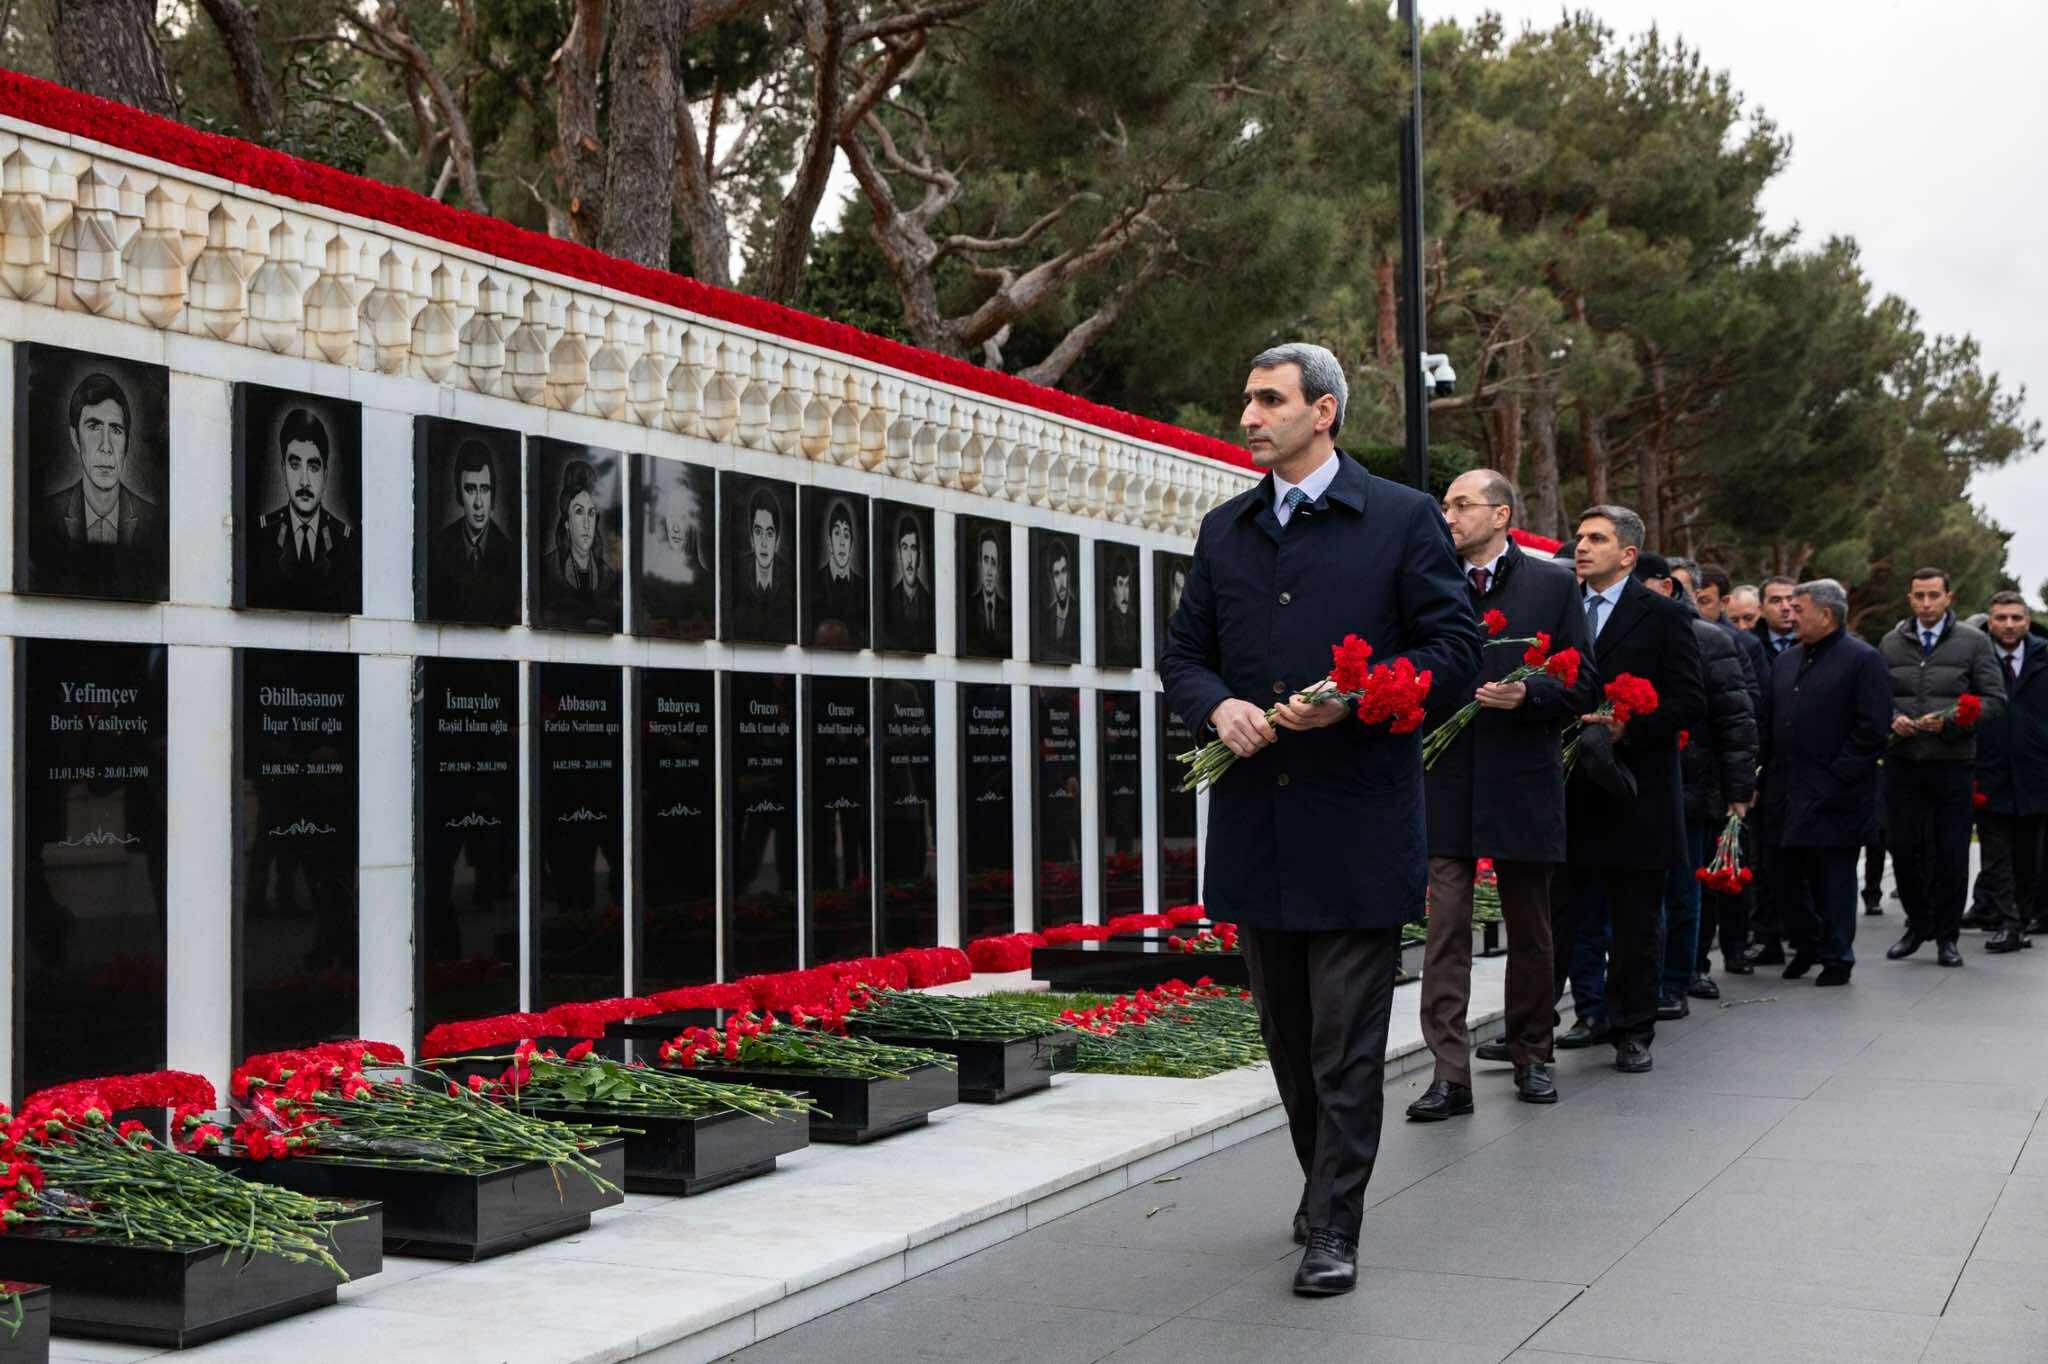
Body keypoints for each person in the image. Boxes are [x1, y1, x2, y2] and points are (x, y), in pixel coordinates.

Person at [1160, 341, 1479, 1297]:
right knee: (1291, 1041)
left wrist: (1359, 699)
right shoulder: (1226, 529)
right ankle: (1320, 1184)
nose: (1249, 418)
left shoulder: (1402, 518)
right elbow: (1184, 656)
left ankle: (1336, 1223)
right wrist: (1218, 707)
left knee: (1346, 1042)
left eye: (1269, 400)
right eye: (1247, 399)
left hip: (1356, 827)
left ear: (1324, 410)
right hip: (1258, 827)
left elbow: (1454, 649)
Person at [1410, 469, 1596, 1121]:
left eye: (1462, 505)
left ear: (1501, 514)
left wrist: (1529, 694)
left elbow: (1584, 683)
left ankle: (1532, 1055)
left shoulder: (1552, 584)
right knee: (1445, 931)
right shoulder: (1428, 582)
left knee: (1532, 929)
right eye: (1445, 505)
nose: (1449, 516)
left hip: (1523, 780)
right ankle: (1448, 1073)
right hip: (1447, 778)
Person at [1554, 507, 1706, 1073]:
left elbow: (1690, 700)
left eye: (1596, 538)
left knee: (1636, 921)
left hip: (1636, 791)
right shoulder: (1560, 605)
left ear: (1627, 555)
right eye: (1579, 537)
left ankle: (1633, 1029)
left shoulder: (1663, 615)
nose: (1581, 546)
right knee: (1564, 916)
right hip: (1568, 788)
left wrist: (1629, 726)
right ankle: (1566, 1019)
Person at [1759, 580, 1891, 984]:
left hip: (1837, 792)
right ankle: (1807, 942)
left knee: (1834, 879)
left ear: (1827, 614)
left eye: (1798, 608)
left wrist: (1837, 776)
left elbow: (1872, 729)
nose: (1790, 613)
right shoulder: (1786, 660)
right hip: (1785, 788)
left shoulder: (1863, 660)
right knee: (1782, 875)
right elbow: (1769, 722)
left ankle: (1837, 956)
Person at [1643, 555, 1756, 1013]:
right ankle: (1645, 982)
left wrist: (1738, 791)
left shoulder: (1710, 639)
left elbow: (1736, 720)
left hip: (1694, 785)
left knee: (1683, 892)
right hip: (1641, 784)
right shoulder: (1635, 633)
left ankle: (1677, 980)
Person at [1879, 568, 2006, 966]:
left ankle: (1947, 937)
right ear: (1909, 598)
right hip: (1904, 763)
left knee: (1951, 852)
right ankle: (1918, 925)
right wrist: (1892, 719)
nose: (1926, 603)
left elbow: (1994, 700)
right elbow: (1876, 697)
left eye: (1934, 595)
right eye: (1919, 595)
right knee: (1903, 850)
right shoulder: (1891, 642)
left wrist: (1951, 722)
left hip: (1952, 764)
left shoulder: (1974, 642)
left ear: (1949, 597)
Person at [35, 370, 165, 598]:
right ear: (75, 438)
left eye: (115, 430)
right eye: (94, 427)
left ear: (127, 443)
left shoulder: (153, 520)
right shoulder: (45, 516)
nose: (106, 446)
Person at [1973, 591, 2048, 951]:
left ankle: (2023, 916)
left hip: (2036, 773)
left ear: (2027, 621)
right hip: (1988, 771)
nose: (2008, 625)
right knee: (1995, 852)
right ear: (1989, 621)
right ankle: (2008, 922)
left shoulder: (2044, 657)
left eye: (2016, 618)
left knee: (2028, 855)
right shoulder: (1975, 658)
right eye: (2001, 618)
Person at [1743, 575, 1803, 964]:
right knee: (1763, 856)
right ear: (1763, 606)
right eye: (1776, 600)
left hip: (1800, 769)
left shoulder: (1811, 644)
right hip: (1762, 765)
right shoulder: (1751, 646)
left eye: (1791, 601)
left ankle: (1801, 931)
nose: (1785, 608)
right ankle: (1766, 934)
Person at [249, 405, 357, 612]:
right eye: (295, 465)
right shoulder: (259, 536)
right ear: (283, 470)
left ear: (325, 475)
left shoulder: (347, 543)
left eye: (313, 467)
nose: (304, 481)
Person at [429, 438, 517, 622]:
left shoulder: (510, 555)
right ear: (459, 494)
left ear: (493, 494)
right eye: (470, 489)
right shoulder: (437, 550)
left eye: (484, 489)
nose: (478, 503)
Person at [537, 458, 615, 628]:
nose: (587, 524)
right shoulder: (548, 569)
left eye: (591, 513)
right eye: (579, 512)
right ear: (567, 522)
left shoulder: (608, 577)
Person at [727, 485, 794, 641]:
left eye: (769, 533)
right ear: (751, 538)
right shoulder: (736, 571)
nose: (763, 543)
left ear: (777, 540)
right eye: (758, 532)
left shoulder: (790, 575)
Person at [810, 497, 867, 648]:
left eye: (846, 535)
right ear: (829, 541)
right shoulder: (814, 582)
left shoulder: (863, 587)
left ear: (851, 543)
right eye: (837, 533)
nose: (842, 542)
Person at [879, 510, 933, 649]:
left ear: (919, 556)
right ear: (899, 554)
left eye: (913, 548)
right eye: (905, 548)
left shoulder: (929, 602)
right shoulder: (888, 600)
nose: (909, 558)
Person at [963, 526, 1010, 656]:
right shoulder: (969, 608)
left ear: (998, 569)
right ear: (980, 564)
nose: (989, 571)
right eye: (986, 560)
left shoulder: (1007, 611)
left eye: (993, 562)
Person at [1037, 537, 1079, 659]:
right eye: (1056, 574)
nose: (1061, 582)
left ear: (1069, 573)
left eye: (1064, 571)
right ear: (1051, 579)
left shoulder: (1078, 613)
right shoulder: (1046, 617)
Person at [1101, 553, 1140, 664]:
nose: (1124, 593)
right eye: (1120, 584)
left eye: (1127, 585)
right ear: (1113, 589)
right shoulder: (1107, 621)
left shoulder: (1134, 621)